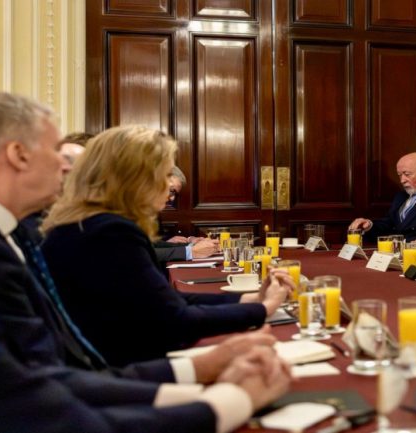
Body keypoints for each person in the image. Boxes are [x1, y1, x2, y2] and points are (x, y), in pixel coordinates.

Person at [0, 91, 290, 432]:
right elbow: (36, 407)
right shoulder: (100, 231)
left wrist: (202, 376)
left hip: (103, 383)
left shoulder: (22, 233)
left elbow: (57, 379)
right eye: (55, 150)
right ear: (18, 154)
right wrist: (231, 400)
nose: (65, 165)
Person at [41, 125, 292, 366]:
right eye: (164, 175)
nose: (168, 189)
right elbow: (174, 320)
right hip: (124, 369)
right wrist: (263, 309)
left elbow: (164, 300)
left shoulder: (90, 223)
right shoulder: (109, 232)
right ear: (137, 180)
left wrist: (250, 298)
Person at [349, 152, 416, 242]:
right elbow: (388, 223)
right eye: (400, 175)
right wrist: (369, 225)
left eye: (407, 174)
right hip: (393, 251)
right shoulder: (401, 196)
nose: (402, 180)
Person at [154, 166, 219, 264]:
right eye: (171, 190)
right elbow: (139, 254)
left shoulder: (148, 211)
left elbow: (152, 245)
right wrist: (190, 252)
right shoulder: (131, 211)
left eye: (175, 194)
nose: (172, 199)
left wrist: (191, 245)